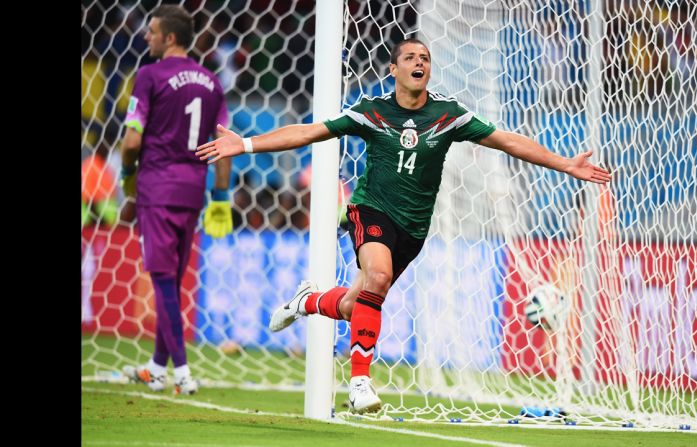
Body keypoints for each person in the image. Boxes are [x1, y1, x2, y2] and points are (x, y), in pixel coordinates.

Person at [195, 38, 611, 411]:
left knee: (352, 304)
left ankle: (306, 301)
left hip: (413, 229)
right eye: (410, 57)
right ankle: (360, 383)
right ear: (393, 70)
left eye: (425, 58)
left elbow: (507, 140)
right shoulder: (372, 112)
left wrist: (563, 163)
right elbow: (308, 132)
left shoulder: (448, 115)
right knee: (377, 274)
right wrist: (245, 144)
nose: (420, 62)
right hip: (371, 210)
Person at [119, 4, 232, 395]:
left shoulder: (149, 75)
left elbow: (132, 139)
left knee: (162, 280)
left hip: (157, 188)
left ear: (169, 37)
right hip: (193, 192)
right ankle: (156, 366)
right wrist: (221, 197)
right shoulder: (211, 82)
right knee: (175, 280)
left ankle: (181, 372)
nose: (146, 37)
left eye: (151, 31)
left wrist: (126, 172)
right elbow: (224, 145)